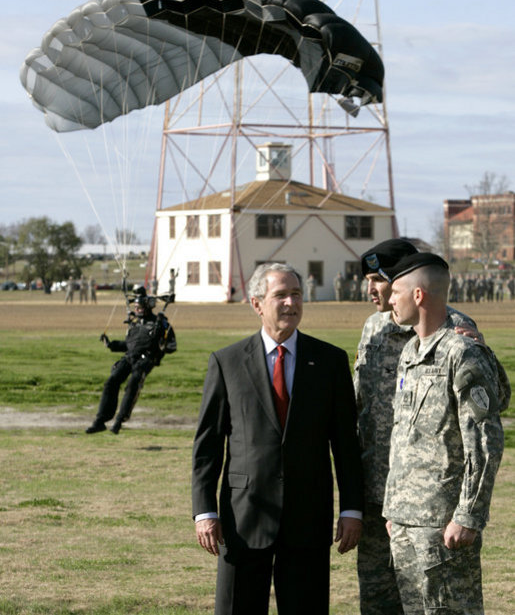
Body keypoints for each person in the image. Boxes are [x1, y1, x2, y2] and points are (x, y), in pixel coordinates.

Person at [192, 262, 363, 615]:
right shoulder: (226, 362)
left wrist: (351, 509)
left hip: (308, 518)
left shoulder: (330, 361)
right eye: (280, 295)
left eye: (296, 295)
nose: (290, 303)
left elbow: (346, 444)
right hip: (244, 518)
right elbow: (208, 446)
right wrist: (204, 511)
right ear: (257, 304)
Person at [353, 238, 511, 615]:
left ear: (414, 290)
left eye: (383, 281)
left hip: (437, 511)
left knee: (443, 605)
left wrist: (468, 514)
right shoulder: (378, 333)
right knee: (385, 602)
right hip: (390, 503)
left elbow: (486, 426)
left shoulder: (457, 337)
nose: (378, 291)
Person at [86, 285, 177, 435]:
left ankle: (119, 420)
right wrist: (111, 344)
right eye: (136, 306)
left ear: (147, 306)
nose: (137, 309)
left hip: (145, 360)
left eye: (140, 307)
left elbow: (172, 346)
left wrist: (164, 346)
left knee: (133, 382)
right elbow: (129, 346)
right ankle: (100, 421)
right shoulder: (134, 324)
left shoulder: (159, 323)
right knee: (111, 381)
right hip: (129, 358)